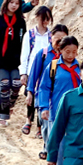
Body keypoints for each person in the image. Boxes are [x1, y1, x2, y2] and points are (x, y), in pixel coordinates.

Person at [36, 35, 81, 165]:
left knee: (71, 143)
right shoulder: (53, 67)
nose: (71, 55)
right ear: (60, 50)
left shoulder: (80, 69)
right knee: (58, 142)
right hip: (56, 111)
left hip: (76, 112)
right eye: (67, 51)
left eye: (74, 52)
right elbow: (44, 88)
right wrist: (44, 107)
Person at [27, 23, 68, 154]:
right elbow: (33, 75)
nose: (60, 43)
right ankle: (47, 147)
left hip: (60, 99)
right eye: (58, 40)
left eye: (64, 40)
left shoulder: (68, 58)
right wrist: (30, 93)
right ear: (51, 38)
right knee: (45, 126)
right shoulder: (43, 54)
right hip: (44, 97)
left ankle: (55, 152)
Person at [19, 6, 54, 134]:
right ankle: (29, 121)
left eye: (48, 19)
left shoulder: (51, 36)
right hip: (32, 70)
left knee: (43, 98)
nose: (45, 22)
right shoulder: (30, 35)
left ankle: (40, 127)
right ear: (37, 18)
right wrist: (23, 72)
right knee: (30, 96)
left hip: (47, 71)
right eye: (43, 19)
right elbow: (24, 55)